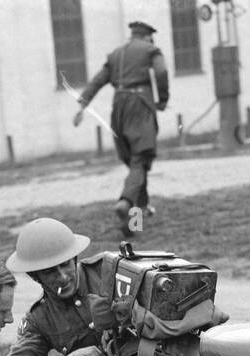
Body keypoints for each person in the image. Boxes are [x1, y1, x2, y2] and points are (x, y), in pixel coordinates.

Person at [73, 19, 169, 236]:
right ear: (147, 36)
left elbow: (98, 80)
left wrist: (82, 104)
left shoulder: (115, 54)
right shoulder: (151, 50)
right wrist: (162, 99)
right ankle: (125, 202)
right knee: (140, 161)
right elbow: (161, 73)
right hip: (141, 107)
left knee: (137, 165)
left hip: (118, 109)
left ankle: (136, 220)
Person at [0, 217, 107, 356]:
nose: (63, 277)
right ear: (35, 277)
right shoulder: (40, 318)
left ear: (74, 259)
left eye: (65, 264)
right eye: (50, 271)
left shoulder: (108, 271)